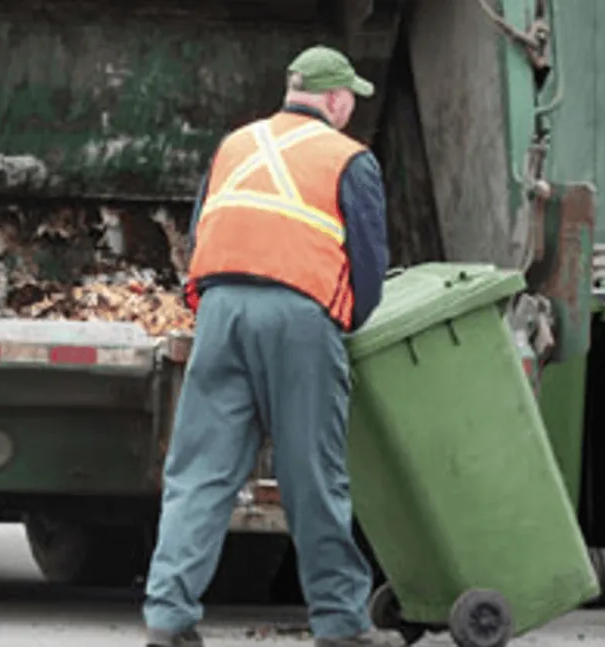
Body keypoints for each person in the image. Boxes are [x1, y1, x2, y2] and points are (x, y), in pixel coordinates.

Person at [142, 45, 400, 647]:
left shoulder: (235, 145)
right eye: (351, 100)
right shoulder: (349, 159)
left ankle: (168, 618)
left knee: (200, 472)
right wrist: (345, 320)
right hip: (299, 318)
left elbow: (200, 228)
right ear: (336, 100)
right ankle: (340, 623)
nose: (352, 110)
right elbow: (367, 264)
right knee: (312, 475)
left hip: (222, 311)